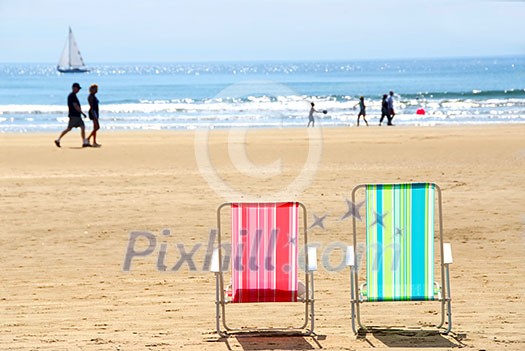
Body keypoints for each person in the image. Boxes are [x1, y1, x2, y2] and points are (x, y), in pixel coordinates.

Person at [55, 83, 90, 148]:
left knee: (81, 127)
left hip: (75, 115)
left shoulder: (73, 95)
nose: (78, 90)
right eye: (78, 88)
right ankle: (58, 139)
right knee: (70, 128)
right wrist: (82, 113)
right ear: (74, 88)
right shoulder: (72, 96)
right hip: (74, 115)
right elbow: (75, 106)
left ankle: (84, 142)